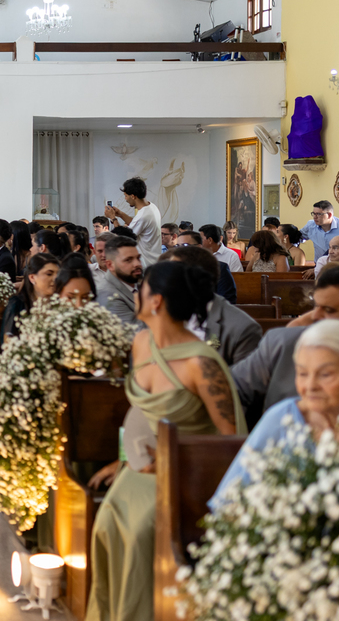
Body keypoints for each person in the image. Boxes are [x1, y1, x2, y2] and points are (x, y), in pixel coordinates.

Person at [86, 260, 244, 621]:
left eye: (140, 288)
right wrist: (123, 460)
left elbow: (230, 439)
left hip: (183, 480)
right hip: (138, 471)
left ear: (155, 300)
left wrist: (173, 461)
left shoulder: (202, 363)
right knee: (106, 522)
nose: (134, 292)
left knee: (141, 533)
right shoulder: (141, 343)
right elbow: (141, 414)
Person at [213, 320, 339, 511]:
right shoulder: (279, 419)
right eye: (302, 373)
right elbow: (228, 502)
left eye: (325, 374)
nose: (310, 386)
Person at [233, 265, 339, 424]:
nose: (315, 316)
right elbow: (230, 387)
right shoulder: (282, 343)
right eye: (316, 306)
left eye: (328, 310)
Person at [161, 245, 262, 366]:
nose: (166, 282)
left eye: (173, 275)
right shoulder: (161, 314)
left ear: (195, 280)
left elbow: (242, 377)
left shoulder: (241, 329)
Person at [103, 177, 162, 268]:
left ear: (133, 196)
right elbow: (135, 223)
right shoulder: (151, 207)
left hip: (146, 264)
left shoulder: (143, 216)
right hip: (154, 261)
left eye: (126, 196)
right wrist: (121, 214)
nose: (125, 199)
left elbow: (122, 238)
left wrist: (113, 218)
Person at [1, 253, 60, 338]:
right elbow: (8, 339)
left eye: (58, 274)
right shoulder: (17, 304)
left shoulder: (61, 303)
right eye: (49, 274)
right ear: (32, 277)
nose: (55, 279)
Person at [94, 237, 142, 326]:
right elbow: (133, 331)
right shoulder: (107, 294)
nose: (137, 264)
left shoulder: (140, 283)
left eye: (138, 258)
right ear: (110, 265)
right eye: (128, 260)